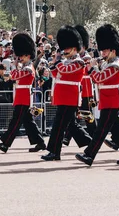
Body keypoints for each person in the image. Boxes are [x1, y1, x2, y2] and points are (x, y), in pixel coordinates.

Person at [74, 24, 119, 166]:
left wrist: (92, 68)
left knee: (100, 131)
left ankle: (89, 155)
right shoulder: (109, 63)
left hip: (112, 101)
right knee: (117, 130)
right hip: (107, 99)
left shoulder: (115, 65)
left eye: (105, 50)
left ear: (113, 51)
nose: (102, 53)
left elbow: (99, 78)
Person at [41, 25, 91, 161]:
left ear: (75, 48)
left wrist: (57, 62)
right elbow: (57, 74)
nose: (65, 50)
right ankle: (90, 143)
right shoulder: (65, 61)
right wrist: (55, 63)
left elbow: (65, 71)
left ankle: (54, 152)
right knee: (69, 124)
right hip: (63, 96)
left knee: (59, 125)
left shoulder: (79, 62)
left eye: (67, 47)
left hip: (71, 96)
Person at [0, 33, 46, 153]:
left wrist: (13, 69)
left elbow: (15, 75)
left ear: (28, 56)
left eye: (22, 56)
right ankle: (40, 142)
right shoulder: (25, 67)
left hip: (24, 97)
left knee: (15, 121)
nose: (20, 58)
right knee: (28, 122)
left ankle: (5, 143)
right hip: (21, 96)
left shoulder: (28, 68)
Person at [64, 25, 97, 146]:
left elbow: (88, 71)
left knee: (86, 114)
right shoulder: (75, 57)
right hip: (78, 88)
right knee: (74, 115)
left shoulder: (86, 57)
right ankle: (67, 137)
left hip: (86, 88)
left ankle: (95, 135)